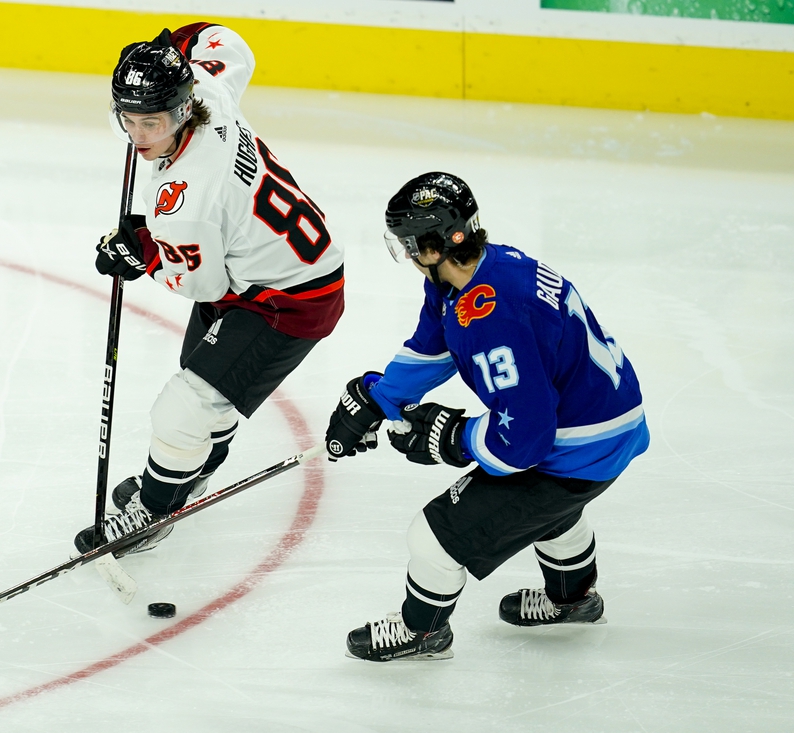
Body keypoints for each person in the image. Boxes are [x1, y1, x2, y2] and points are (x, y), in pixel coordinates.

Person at [325, 172, 648, 662]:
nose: (409, 255)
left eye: (411, 244)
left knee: (433, 538)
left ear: (434, 246)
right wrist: (380, 398)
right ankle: (574, 600)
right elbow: (435, 346)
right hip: (610, 425)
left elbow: (525, 442)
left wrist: (453, 437)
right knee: (551, 514)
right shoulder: (480, 271)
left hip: (578, 445)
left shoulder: (496, 316)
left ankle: (424, 632)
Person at [74, 25, 344, 555]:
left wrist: (143, 254)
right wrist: (173, 44)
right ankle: (189, 476)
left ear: (180, 112)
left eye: (150, 121)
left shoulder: (184, 198)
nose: (137, 133)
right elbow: (227, 43)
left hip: (286, 299)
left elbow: (202, 282)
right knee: (207, 394)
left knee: (186, 407)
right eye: (127, 118)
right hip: (267, 265)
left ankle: (152, 511)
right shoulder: (206, 87)